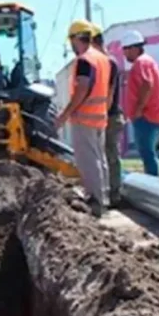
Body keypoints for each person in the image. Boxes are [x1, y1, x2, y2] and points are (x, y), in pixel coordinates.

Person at [55, 19, 112, 218]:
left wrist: (64, 115)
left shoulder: (84, 60)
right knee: (99, 158)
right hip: (99, 116)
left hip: (85, 117)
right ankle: (103, 197)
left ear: (77, 38)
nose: (70, 44)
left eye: (71, 39)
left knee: (88, 160)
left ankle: (95, 201)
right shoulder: (102, 59)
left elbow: (82, 89)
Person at [122, 30, 159, 176]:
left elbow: (147, 84)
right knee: (148, 152)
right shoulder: (148, 61)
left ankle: (153, 184)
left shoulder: (141, 63)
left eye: (126, 50)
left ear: (134, 48)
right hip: (153, 114)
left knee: (147, 152)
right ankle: (153, 179)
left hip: (147, 115)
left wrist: (138, 109)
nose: (125, 54)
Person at [91, 24, 125, 207]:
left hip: (109, 117)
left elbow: (109, 94)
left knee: (110, 156)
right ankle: (107, 193)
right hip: (106, 116)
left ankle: (114, 195)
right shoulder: (104, 63)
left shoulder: (108, 63)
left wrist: (101, 116)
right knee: (103, 155)